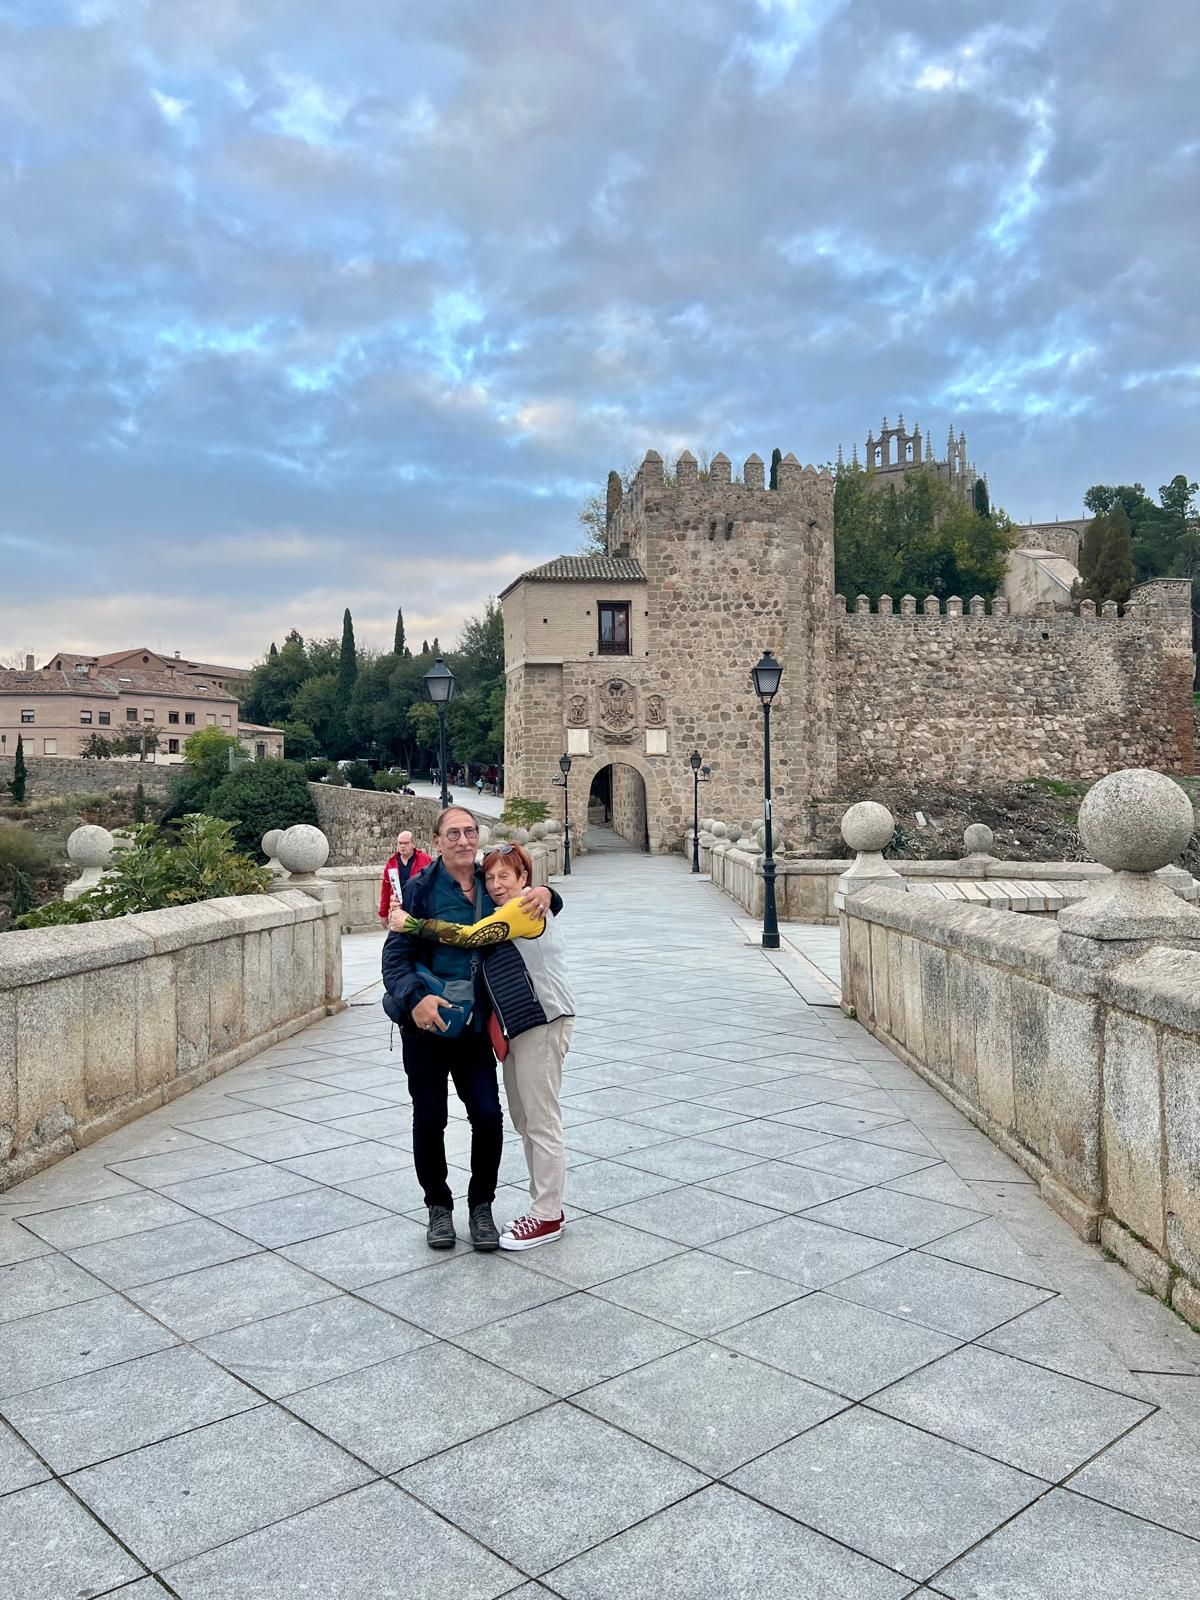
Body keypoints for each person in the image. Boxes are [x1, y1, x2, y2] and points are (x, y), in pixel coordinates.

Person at [380, 807, 558, 1252]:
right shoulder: (420, 890)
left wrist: (548, 892)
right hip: (425, 1026)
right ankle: (438, 1208)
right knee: (430, 1118)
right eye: (453, 833)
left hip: (475, 1027)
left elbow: (531, 903)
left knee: (487, 1116)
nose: (463, 840)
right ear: (437, 841)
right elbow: (394, 960)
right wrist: (415, 999)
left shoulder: (490, 882)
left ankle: (481, 1206)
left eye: (470, 832)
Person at [378, 830, 433, 925]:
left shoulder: (425, 860)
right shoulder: (391, 863)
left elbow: (433, 885)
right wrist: (383, 913)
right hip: (398, 909)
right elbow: (385, 890)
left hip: (420, 909)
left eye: (406, 843)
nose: (402, 846)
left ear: (413, 844)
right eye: (400, 843)